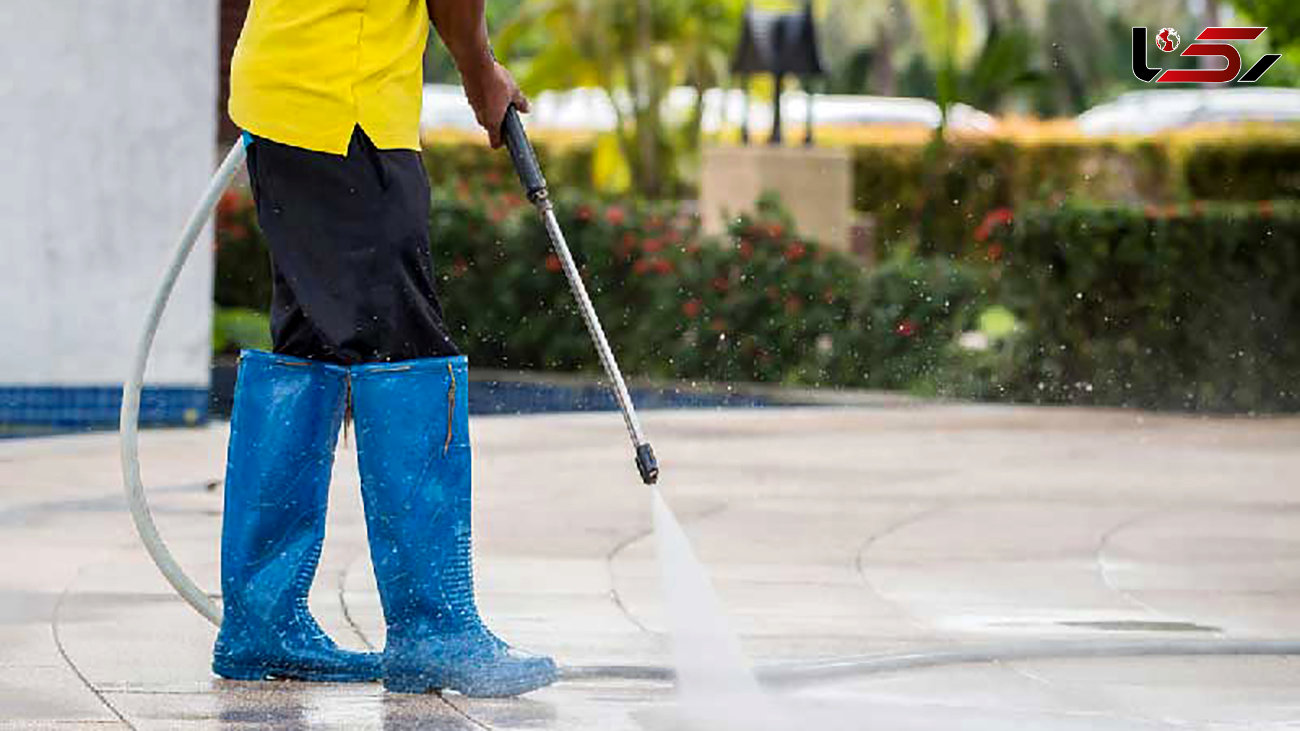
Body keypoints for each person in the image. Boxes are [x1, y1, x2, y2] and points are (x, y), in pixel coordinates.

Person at [212, 0, 557, 698]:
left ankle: (263, 617)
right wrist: (481, 72)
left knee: (309, 345)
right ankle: (434, 629)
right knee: (405, 348)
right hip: (344, 108)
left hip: (293, 92)